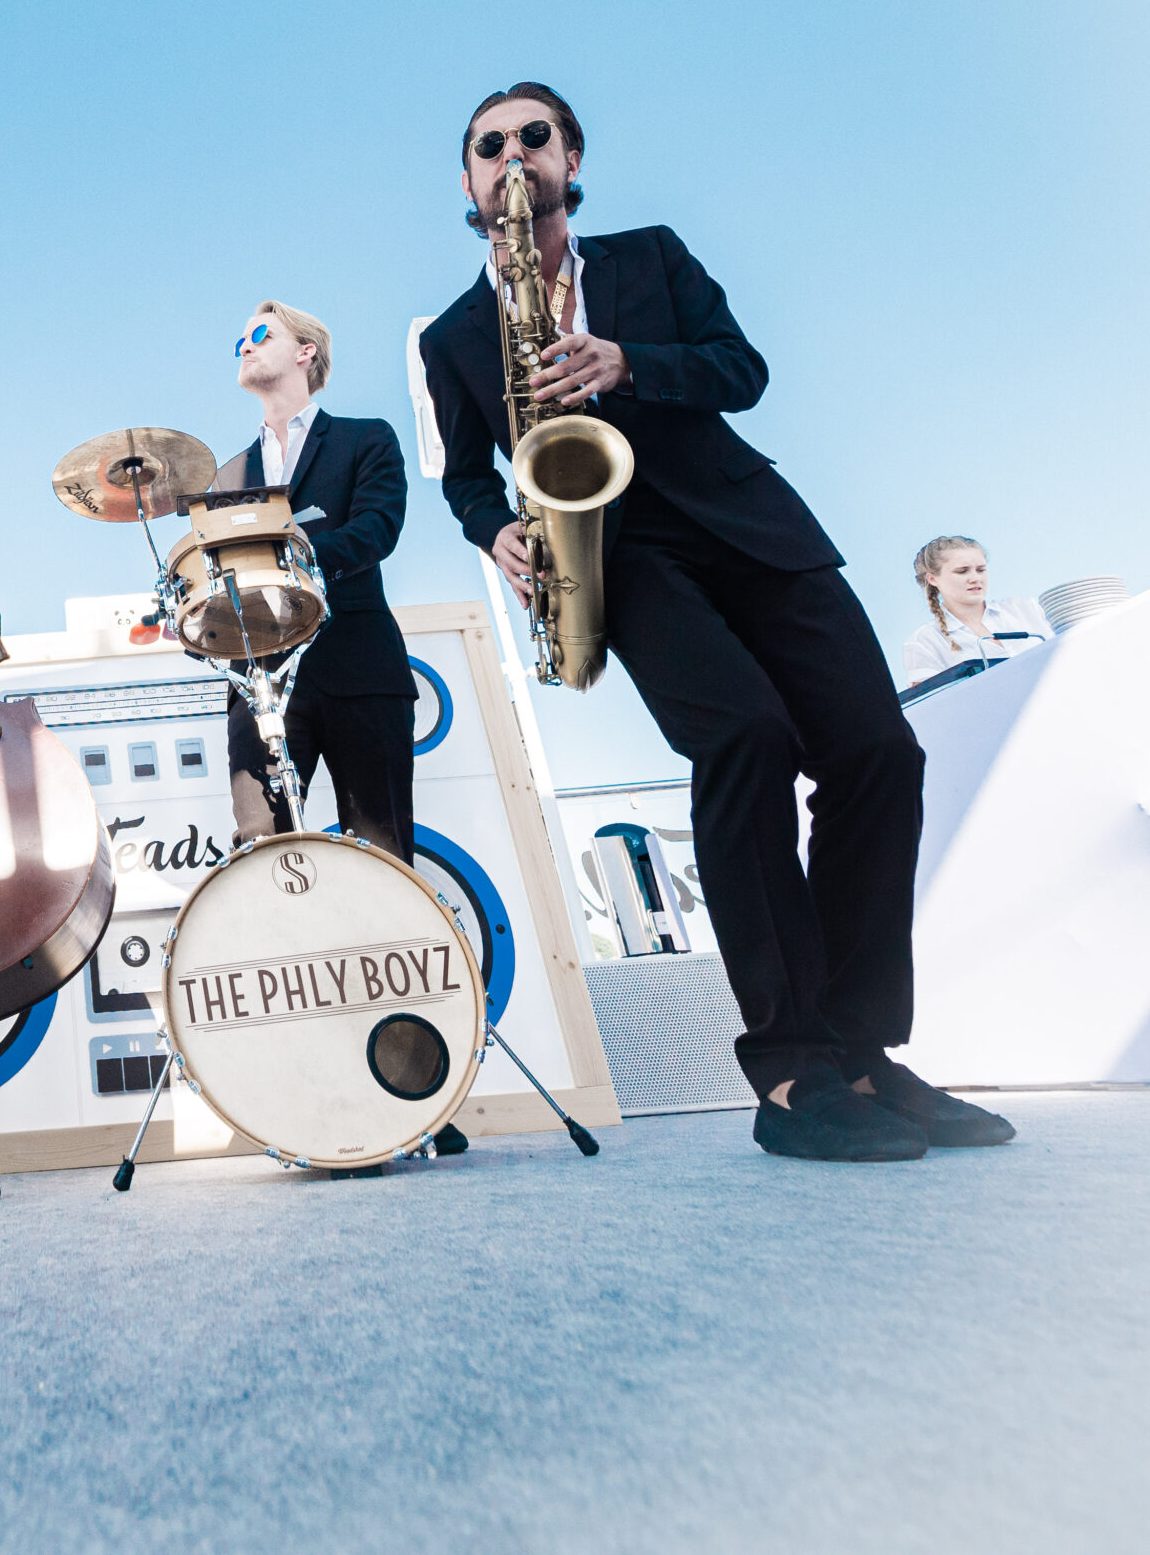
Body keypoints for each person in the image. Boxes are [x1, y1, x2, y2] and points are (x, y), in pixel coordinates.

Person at [418, 82, 1013, 1163]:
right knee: (744, 737)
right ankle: (790, 1069)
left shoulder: (651, 257)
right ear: (467, 178)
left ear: (570, 158)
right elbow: (464, 474)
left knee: (878, 753)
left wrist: (629, 362)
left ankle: (862, 1052)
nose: (513, 153)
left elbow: (744, 369)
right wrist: (494, 528)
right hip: (621, 557)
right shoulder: (455, 335)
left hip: (756, 531)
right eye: (489, 143)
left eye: (534, 136)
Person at [217, 303, 419, 862]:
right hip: (261, 680)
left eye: (261, 334)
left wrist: (291, 559)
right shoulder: (226, 476)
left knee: (383, 854)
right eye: (240, 341)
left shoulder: (365, 437)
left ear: (306, 351)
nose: (246, 346)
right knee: (264, 855)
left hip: (361, 667)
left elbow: (377, 529)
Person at [903, 536, 1052, 687]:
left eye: (981, 570)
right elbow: (931, 700)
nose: (975, 578)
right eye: (962, 571)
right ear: (933, 579)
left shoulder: (1028, 608)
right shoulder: (925, 642)